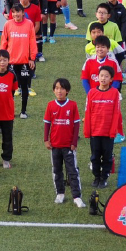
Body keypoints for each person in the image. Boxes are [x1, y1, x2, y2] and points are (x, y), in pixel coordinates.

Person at [44, 78, 85, 208]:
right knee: (57, 170)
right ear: (53, 90)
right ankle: (60, 193)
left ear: (67, 91)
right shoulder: (50, 105)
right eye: (56, 88)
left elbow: (76, 124)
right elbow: (47, 124)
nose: (59, 91)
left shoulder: (72, 105)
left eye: (62, 88)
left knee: (72, 171)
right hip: (55, 145)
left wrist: (74, 142)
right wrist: (46, 139)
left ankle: (77, 196)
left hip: (68, 145)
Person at [83, 66, 122, 189]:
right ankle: (96, 177)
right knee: (95, 156)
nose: (103, 78)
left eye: (106, 76)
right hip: (95, 132)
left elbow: (116, 113)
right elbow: (88, 112)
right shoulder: (92, 93)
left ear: (111, 79)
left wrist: (113, 131)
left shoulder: (115, 93)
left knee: (107, 156)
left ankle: (104, 178)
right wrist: (87, 131)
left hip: (107, 133)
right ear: (97, 77)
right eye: (101, 76)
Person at [0, 3, 38, 117]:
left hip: (25, 62)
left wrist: (32, 58)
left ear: (23, 13)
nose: (16, 14)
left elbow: (32, 41)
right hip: (11, 62)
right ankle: (9, 111)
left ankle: (23, 111)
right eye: (14, 12)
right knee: (9, 88)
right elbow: (4, 42)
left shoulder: (29, 24)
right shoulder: (8, 25)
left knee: (24, 87)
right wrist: (2, 59)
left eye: (18, 12)